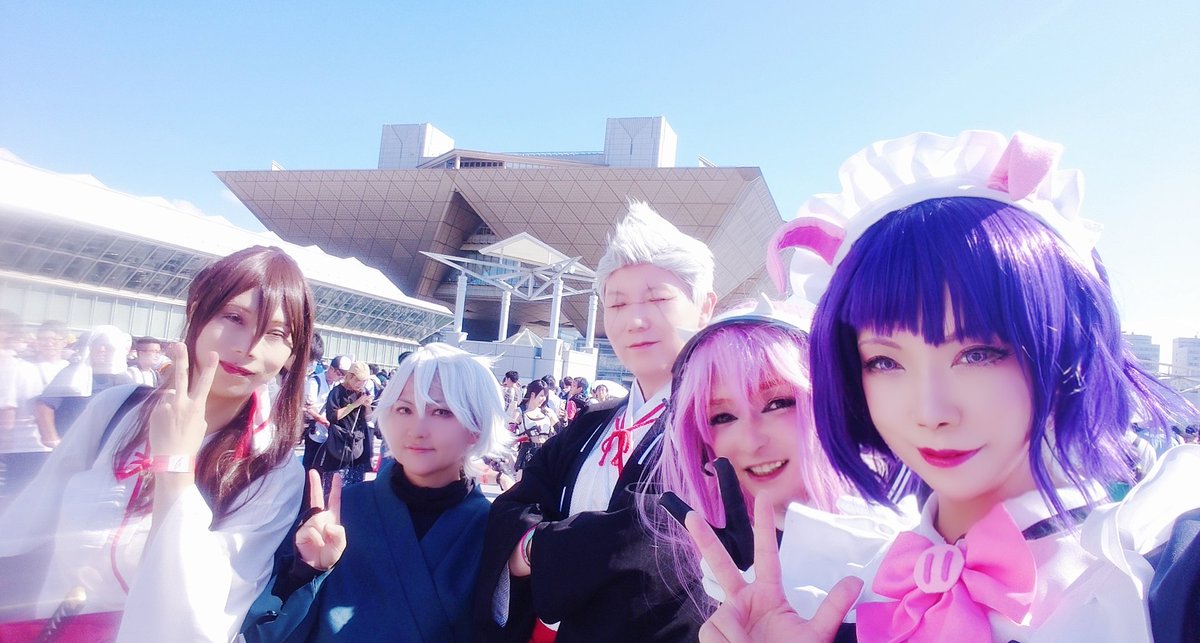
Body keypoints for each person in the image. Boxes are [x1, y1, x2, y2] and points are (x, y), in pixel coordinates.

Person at [691, 131, 1200, 642]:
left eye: (978, 354)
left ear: (1069, 345)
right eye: (885, 362)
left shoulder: (1158, 576)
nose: (930, 411)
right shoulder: (837, 600)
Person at [0, 245, 314, 642]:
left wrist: (175, 467)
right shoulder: (115, 411)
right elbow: (26, 526)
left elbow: (205, 614)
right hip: (49, 629)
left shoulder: (272, 470)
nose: (249, 347)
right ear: (196, 311)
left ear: (291, 353)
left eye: (276, 334)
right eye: (234, 318)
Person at [475, 201, 716, 642]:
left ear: (705, 307)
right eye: (617, 303)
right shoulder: (592, 421)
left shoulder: (716, 425)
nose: (634, 320)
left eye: (658, 299)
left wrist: (540, 547)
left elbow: (651, 538)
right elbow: (512, 506)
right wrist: (532, 544)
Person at [647, 303, 915, 626]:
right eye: (723, 417)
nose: (751, 441)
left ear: (833, 405)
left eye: (777, 403)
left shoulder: (903, 548)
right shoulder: (715, 568)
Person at [240, 343, 513, 642]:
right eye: (404, 409)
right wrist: (305, 573)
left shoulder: (495, 532)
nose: (417, 429)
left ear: (477, 425)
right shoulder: (338, 514)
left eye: (442, 411)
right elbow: (263, 636)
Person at [35, 325, 135, 446]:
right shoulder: (73, 374)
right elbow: (44, 406)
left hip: (105, 445)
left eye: (107, 345)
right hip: (73, 444)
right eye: (97, 344)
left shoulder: (124, 379)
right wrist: (52, 439)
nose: (101, 349)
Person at [316, 361, 373, 493]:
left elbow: (368, 418)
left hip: (357, 442)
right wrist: (355, 404)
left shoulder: (364, 392)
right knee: (333, 484)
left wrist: (367, 406)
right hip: (339, 442)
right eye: (358, 380)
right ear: (350, 376)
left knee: (355, 485)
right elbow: (333, 416)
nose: (360, 384)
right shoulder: (337, 392)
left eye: (364, 381)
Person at [513, 380, 557, 473]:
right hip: (527, 456)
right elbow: (510, 438)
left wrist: (563, 421)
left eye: (545, 396)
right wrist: (526, 436)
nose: (544, 399)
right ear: (533, 394)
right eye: (541, 395)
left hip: (545, 455)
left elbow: (561, 432)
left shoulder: (547, 412)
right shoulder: (520, 412)